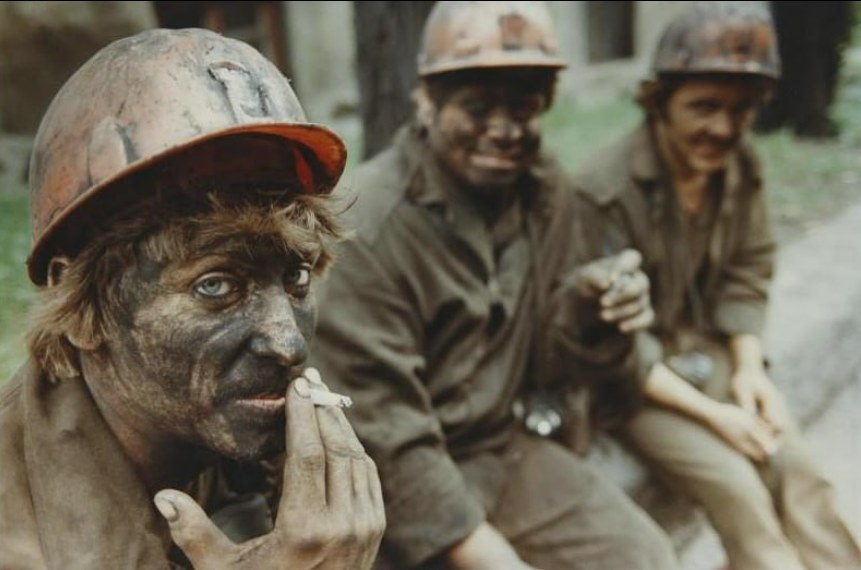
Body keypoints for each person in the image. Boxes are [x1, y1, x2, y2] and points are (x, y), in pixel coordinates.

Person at [0, 28, 385, 569]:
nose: (288, 341)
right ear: (85, 310)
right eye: (216, 287)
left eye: (295, 277)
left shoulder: (245, 438)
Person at [311, 2, 677, 569]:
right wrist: (494, 557)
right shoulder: (370, 225)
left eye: (525, 106)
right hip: (384, 485)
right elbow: (381, 433)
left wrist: (592, 310)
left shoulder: (544, 188)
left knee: (644, 558)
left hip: (498, 453)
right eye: (477, 107)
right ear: (426, 103)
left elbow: (552, 369)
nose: (504, 129)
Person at [571, 3, 861, 570]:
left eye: (741, 110)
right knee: (739, 488)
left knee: (799, 473)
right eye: (703, 107)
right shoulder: (600, 190)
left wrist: (751, 372)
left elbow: (748, 271)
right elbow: (612, 346)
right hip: (630, 385)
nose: (723, 128)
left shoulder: (738, 165)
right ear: (659, 101)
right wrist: (718, 416)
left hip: (706, 358)